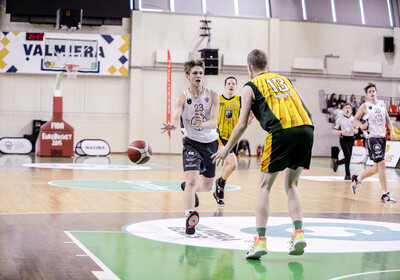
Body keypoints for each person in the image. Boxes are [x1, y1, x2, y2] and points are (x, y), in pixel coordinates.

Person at [212, 49, 314, 259]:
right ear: (268, 65)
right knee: (292, 185)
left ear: (249, 68)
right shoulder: (285, 80)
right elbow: (309, 112)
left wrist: (226, 148)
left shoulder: (250, 86)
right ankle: (298, 233)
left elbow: (241, 125)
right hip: (306, 129)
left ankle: (259, 241)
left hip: (281, 132)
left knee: (264, 186)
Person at [161, 59, 220, 234]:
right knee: (192, 179)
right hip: (191, 143)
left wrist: (203, 124)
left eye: (201, 73)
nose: (198, 76)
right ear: (188, 76)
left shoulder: (213, 95)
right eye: (194, 73)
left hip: (210, 144)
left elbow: (215, 121)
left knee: (207, 187)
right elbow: (176, 114)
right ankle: (189, 216)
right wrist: (172, 123)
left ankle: (189, 190)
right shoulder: (183, 97)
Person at [351, 83, 396, 203]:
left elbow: (387, 119)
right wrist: (362, 126)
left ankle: (357, 178)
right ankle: (385, 194)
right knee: (382, 164)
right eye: (369, 91)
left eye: (373, 91)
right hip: (372, 137)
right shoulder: (365, 106)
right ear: (367, 94)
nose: (371, 93)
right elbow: (355, 119)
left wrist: (392, 131)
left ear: (377, 92)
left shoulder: (382, 104)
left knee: (376, 168)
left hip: (382, 137)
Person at [214, 76, 254, 207]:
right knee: (233, 165)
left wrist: (250, 119)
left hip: (234, 138)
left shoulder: (240, 101)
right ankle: (220, 183)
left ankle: (218, 191)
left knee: (227, 165)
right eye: (229, 83)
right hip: (220, 137)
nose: (231, 85)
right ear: (225, 86)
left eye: (233, 83)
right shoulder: (218, 100)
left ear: (236, 87)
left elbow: (245, 123)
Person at [332, 103, 359, 180]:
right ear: (344, 109)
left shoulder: (353, 119)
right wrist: (341, 132)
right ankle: (347, 175)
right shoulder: (339, 119)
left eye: (349, 108)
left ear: (350, 109)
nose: (347, 109)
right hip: (343, 139)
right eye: (346, 107)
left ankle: (337, 162)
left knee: (348, 157)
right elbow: (334, 131)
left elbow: (357, 131)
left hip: (351, 139)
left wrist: (354, 130)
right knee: (347, 156)